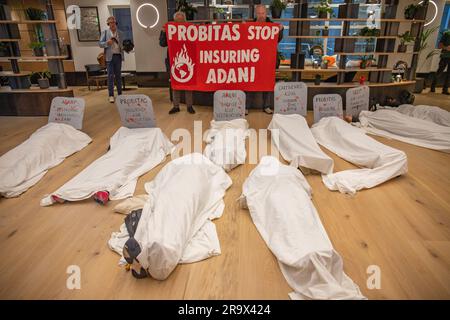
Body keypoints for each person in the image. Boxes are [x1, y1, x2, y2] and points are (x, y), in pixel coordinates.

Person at [249, 4, 284, 115]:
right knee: (250, 82)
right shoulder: (250, 26)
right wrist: (244, 28)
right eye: (258, 13)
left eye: (262, 13)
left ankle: (266, 106)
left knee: (268, 82)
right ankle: (246, 106)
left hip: (267, 59)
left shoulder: (272, 26)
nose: (261, 15)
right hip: (253, 59)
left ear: (266, 13)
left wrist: (280, 30)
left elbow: (277, 40)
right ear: (255, 13)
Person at [160, 11, 195, 114]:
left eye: (182, 21)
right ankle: (176, 106)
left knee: (188, 83)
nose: (180, 24)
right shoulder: (169, 30)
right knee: (175, 83)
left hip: (187, 58)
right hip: (173, 60)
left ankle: (189, 106)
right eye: (178, 21)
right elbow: (162, 44)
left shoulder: (190, 29)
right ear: (174, 21)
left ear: (185, 20)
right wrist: (163, 32)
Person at [99, 16, 124, 103]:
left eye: (113, 22)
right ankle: (111, 95)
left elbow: (123, 44)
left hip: (118, 56)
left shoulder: (120, 33)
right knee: (110, 76)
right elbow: (100, 44)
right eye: (110, 23)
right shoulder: (105, 33)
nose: (112, 24)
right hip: (109, 57)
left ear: (116, 23)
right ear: (108, 24)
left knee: (118, 76)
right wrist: (107, 43)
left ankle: (120, 94)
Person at [431, 29, 450, 95]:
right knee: (440, 72)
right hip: (445, 56)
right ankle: (433, 87)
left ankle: (445, 89)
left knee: (449, 74)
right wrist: (446, 48)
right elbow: (440, 45)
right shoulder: (447, 34)